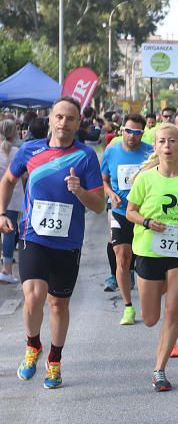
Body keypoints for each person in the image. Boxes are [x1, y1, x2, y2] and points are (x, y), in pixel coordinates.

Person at [0, 97, 106, 389]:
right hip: (34, 236)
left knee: (58, 304)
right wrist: (1, 212)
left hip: (68, 242)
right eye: (58, 116)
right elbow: (8, 180)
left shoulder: (85, 157)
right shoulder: (29, 150)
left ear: (77, 122)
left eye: (70, 118)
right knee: (33, 296)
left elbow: (98, 205)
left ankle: (55, 360)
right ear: (50, 119)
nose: (63, 122)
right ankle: (33, 345)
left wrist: (79, 191)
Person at [126, 124, 178, 391]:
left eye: (172, 141)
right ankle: (160, 286)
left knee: (173, 312)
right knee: (151, 318)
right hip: (149, 250)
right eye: (162, 141)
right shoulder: (145, 178)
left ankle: (159, 370)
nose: (167, 146)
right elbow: (130, 211)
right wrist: (147, 222)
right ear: (156, 147)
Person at [101, 114, 154, 324]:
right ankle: (128, 306)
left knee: (143, 261)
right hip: (120, 211)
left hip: (144, 214)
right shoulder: (112, 151)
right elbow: (104, 178)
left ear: (142, 133)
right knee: (122, 256)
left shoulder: (150, 152)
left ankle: (147, 301)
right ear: (122, 130)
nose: (132, 136)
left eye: (137, 132)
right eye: (128, 131)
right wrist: (110, 193)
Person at [0, 119, 22, 283]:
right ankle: (7, 270)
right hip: (12, 197)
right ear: (14, 132)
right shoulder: (17, 151)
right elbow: (25, 174)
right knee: (9, 231)